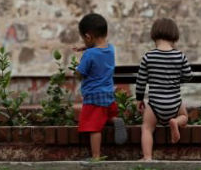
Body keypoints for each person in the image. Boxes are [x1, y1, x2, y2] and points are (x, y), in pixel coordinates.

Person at [135, 18, 193, 161]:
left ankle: (147, 157)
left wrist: (139, 98)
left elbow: (141, 81)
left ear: (154, 34)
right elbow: (188, 76)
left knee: (147, 128)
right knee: (185, 117)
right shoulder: (180, 56)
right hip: (174, 102)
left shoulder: (148, 57)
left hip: (155, 103)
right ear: (174, 35)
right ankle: (176, 122)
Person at [74, 13, 127, 160]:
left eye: (84, 38)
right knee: (105, 116)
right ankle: (116, 120)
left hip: (93, 97)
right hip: (108, 96)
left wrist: (76, 71)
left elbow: (81, 73)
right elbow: (98, 48)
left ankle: (96, 157)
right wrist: (85, 47)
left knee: (94, 128)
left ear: (88, 36)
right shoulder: (110, 49)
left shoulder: (89, 55)